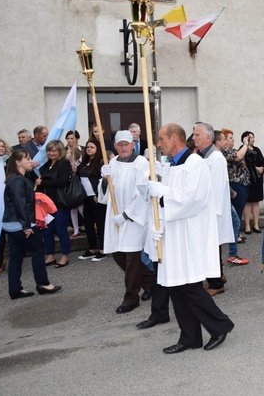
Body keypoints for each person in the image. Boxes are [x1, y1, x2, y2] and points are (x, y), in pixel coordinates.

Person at [148, 123, 234, 354]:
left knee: (189, 287)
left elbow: (192, 199)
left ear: (175, 138)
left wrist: (163, 193)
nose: (159, 144)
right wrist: (158, 224)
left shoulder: (195, 163)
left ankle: (220, 325)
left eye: (162, 139)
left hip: (189, 235)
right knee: (176, 287)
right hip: (174, 235)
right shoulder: (172, 166)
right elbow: (162, 202)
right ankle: (190, 337)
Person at [99, 130, 153, 313]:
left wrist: (127, 215)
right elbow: (105, 196)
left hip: (133, 217)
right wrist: (104, 180)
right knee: (117, 253)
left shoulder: (141, 164)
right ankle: (151, 282)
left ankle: (131, 298)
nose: (123, 147)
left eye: (126, 144)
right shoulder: (111, 163)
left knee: (132, 258)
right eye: (119, 144)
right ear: (115, 146)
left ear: (132, 144)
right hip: (114, 215)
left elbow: (143, 192)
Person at [2, 150, 62, 299]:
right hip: (20, 223)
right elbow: (19, 203)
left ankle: (15, 289)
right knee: (38, 250)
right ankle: (43, 284)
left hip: (12, 223)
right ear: (17, 162)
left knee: (16, 256)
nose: (30, 161)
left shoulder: (17, 177)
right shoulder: (17, 180)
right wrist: (26, 225)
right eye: (27, 159)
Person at [192, 122, 242, 296]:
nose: (194, 138)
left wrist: (212, 213)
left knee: (211, 248)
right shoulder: (204, 156)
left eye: (197, 135)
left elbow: (214, 188)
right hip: (207, 211)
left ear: (208, 137)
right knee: (210, 247)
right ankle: (218, 277)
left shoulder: (215, 158)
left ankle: (215, 284)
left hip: (212, 212)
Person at [35, 139, 72, 268]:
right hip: (45, 205)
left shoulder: (64, 164)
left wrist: (42, 183)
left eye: (54, 150)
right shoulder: (46, 165)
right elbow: (39, 181)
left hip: (59, 203)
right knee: (47, 231)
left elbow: (62, 182)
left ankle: (65, 256)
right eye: (49, 150)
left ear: (60, 151)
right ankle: (50, 256)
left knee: (61, 230)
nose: (51, 153)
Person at [77, 140, 107, 261]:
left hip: (96, 197)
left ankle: (103, 249)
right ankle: (92, 248)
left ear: (97, 148)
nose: (89, 149)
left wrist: (98, 194)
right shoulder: (84, 162)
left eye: (92, 147)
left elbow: (103, 180)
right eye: (87, 147)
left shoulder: (100, 162)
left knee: (100, 224)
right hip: (86, 198)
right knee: (88, 224)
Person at [241, 131, 264, 234]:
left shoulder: (257, 149)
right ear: (245, 139)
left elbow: (263, 160)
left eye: (253, 137)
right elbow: (244, 163)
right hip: (248, 179)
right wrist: (256, 168)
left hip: (257, 180)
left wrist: (262, 168)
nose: (253, 139)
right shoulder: (242, 149)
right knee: (247, 202)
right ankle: (247, 225)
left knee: (256, 202)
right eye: (251, 137)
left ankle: (256, 224)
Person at [0, 138, 11, 273]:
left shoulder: (8, 162)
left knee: (5, 230)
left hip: (6, 199)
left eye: (2, 146)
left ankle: (2, 260)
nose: (1, 148)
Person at [65, 130, 84, 237]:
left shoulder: (79, 159)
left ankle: (87, 224)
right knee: (72, 209)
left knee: (81, 208)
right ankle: (75, 229)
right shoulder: (65, 163)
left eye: (72, 138)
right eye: (68, 138)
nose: (69, 140)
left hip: (78, 186)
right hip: (69, 187)